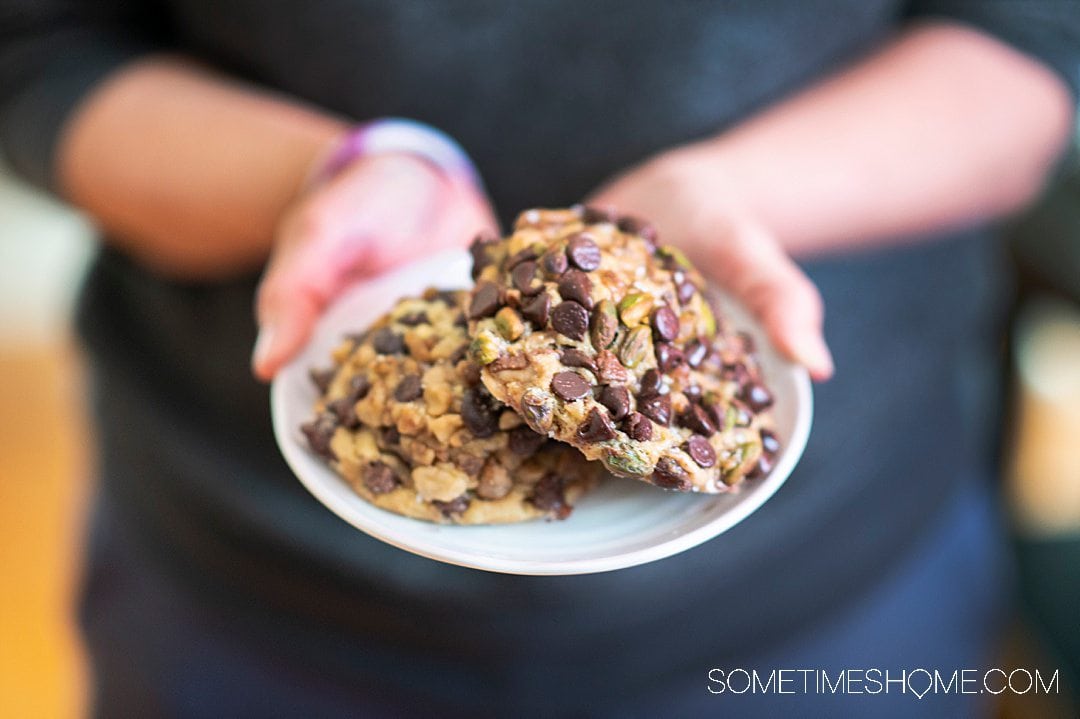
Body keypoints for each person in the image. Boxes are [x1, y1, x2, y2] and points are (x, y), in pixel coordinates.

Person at [1, 1, 1076, 716]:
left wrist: (745, 191)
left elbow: (1035, 45)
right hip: (245, 584)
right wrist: (334, 175)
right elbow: (38, 50)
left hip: (826, 590)